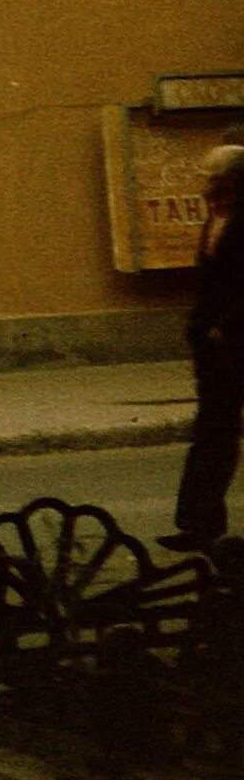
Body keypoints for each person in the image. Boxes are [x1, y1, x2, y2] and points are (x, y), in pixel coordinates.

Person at [164, 142, 244, 553]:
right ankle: (198, 524)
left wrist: (225, 325)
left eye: (212, 175)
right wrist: (199, 327)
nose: (205, 182)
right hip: (214, 345)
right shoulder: (216, 217)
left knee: (218, 430)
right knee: (213, 431)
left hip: (235, 338)